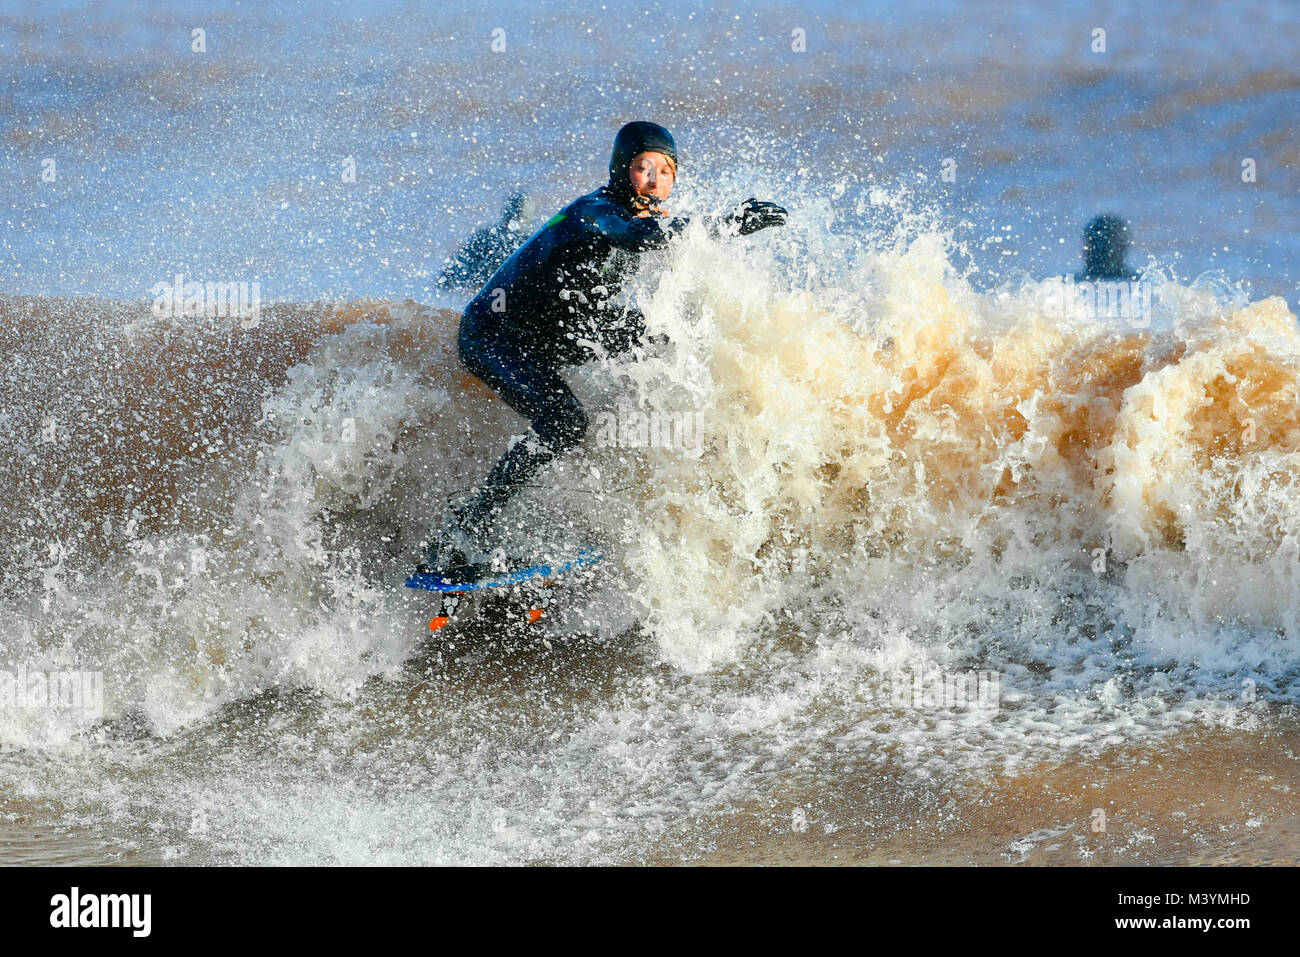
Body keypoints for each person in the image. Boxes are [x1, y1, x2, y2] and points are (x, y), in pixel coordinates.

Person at [418, 121, 787, 574]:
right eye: (642, 167)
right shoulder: (593, 212)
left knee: (657, 340)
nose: (655, 180)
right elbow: (638, 237)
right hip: (494, 334)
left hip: (552, 330)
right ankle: (464, 528)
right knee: (565, 421)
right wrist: (726, 225)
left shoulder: (643, 213)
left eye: (666, 171)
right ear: (620, 169)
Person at [437, 191, 533, 289]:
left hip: (486, 286)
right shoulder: (492, 237)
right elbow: (451, 275)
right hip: (484, 286)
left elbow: (448, 276)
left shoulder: (487, 234)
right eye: (527, 213)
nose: (530, 218)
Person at [1075, 213, 1135, 281]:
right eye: (1088, 244)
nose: (1087, 249)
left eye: (1096, 245)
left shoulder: (1069, 284)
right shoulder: (1139, 284)